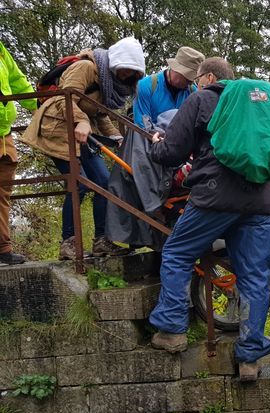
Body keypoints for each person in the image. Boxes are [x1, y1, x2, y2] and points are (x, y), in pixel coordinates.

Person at [146, 77, 270, 383]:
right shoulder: (259, 107)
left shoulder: (202, 99)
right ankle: (250, 359)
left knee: (178, 253)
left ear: (206, 79)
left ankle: (172, 330)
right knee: (256, 277)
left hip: (214, 198)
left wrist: (155, 145)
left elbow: (172, 152)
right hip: (258, 204)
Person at [21, 37, 145, 260]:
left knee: (104, 183)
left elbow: (100, 113)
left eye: (133, 72)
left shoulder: (110, 85)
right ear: (117, 63)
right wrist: (82, 120)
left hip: (80, 134)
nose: (128, 75)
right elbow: (64, 98)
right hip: (56, 128)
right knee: (78, 184)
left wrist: (116, 137)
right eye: (126, 69)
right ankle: (69, 243)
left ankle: (101, 241)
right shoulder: (86, 67)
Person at [0, 41, 38, 265]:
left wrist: (37, 106)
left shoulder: (1, 51)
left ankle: (2, 248)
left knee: (3, 192)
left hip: (4, 134)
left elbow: (17, 81)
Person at [132, 46, 204, 128]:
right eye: (188, 78)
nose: (191, 82)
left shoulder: (192, 92)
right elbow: (142, 125)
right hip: (150, 138)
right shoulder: (145, 86)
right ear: (178, 70)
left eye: (193, 79)